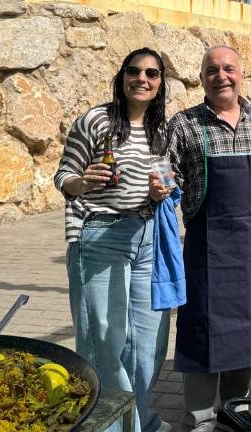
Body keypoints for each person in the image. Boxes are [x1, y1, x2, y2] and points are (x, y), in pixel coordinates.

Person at [164, 46, 251, 432]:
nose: (221, 76)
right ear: (201, 78)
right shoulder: (183, 124)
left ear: (242, 74)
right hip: (208, 251)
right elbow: (167, 175)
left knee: (250, 336)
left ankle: (235, 411)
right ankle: (200, 418)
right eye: (212, 70)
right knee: (204, 333)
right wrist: (161, 186)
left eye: (228, 68)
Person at [54, 47, 171, 432]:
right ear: (122, 77)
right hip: (101, 234)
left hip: (147, 234)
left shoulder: (160, 128)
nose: (143, 79)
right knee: (103, 340)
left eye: (152, 74)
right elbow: (63, 177)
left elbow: (166, 180)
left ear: (160, 82)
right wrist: (83, 181)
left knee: (147, 342)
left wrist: (159, 192)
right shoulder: (96, 120)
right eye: (134, 71)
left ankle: (141, 419)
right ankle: (114, 426)